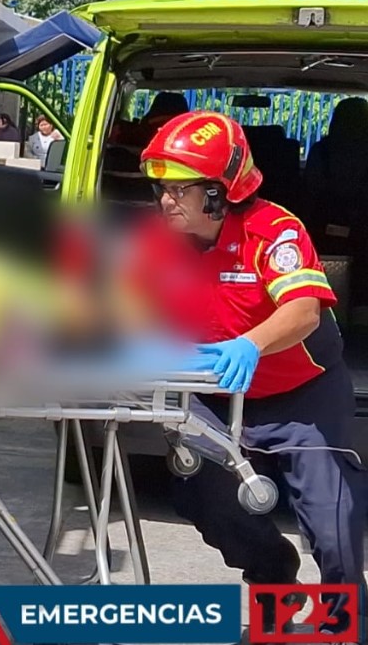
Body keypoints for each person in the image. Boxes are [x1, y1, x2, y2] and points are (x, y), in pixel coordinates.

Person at [129, 111, 367, 636]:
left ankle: (344, 624)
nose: (165, 200)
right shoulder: (155, 237)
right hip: (214, 397)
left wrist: (249, 345)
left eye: (179, 189)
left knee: (334, 521)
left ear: (218, 192)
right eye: (160, 188)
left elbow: (303, 310)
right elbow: (129, 298)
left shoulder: (272, 229)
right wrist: (142, 338)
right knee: (205, 498)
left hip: (300, 395)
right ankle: (277, 591)